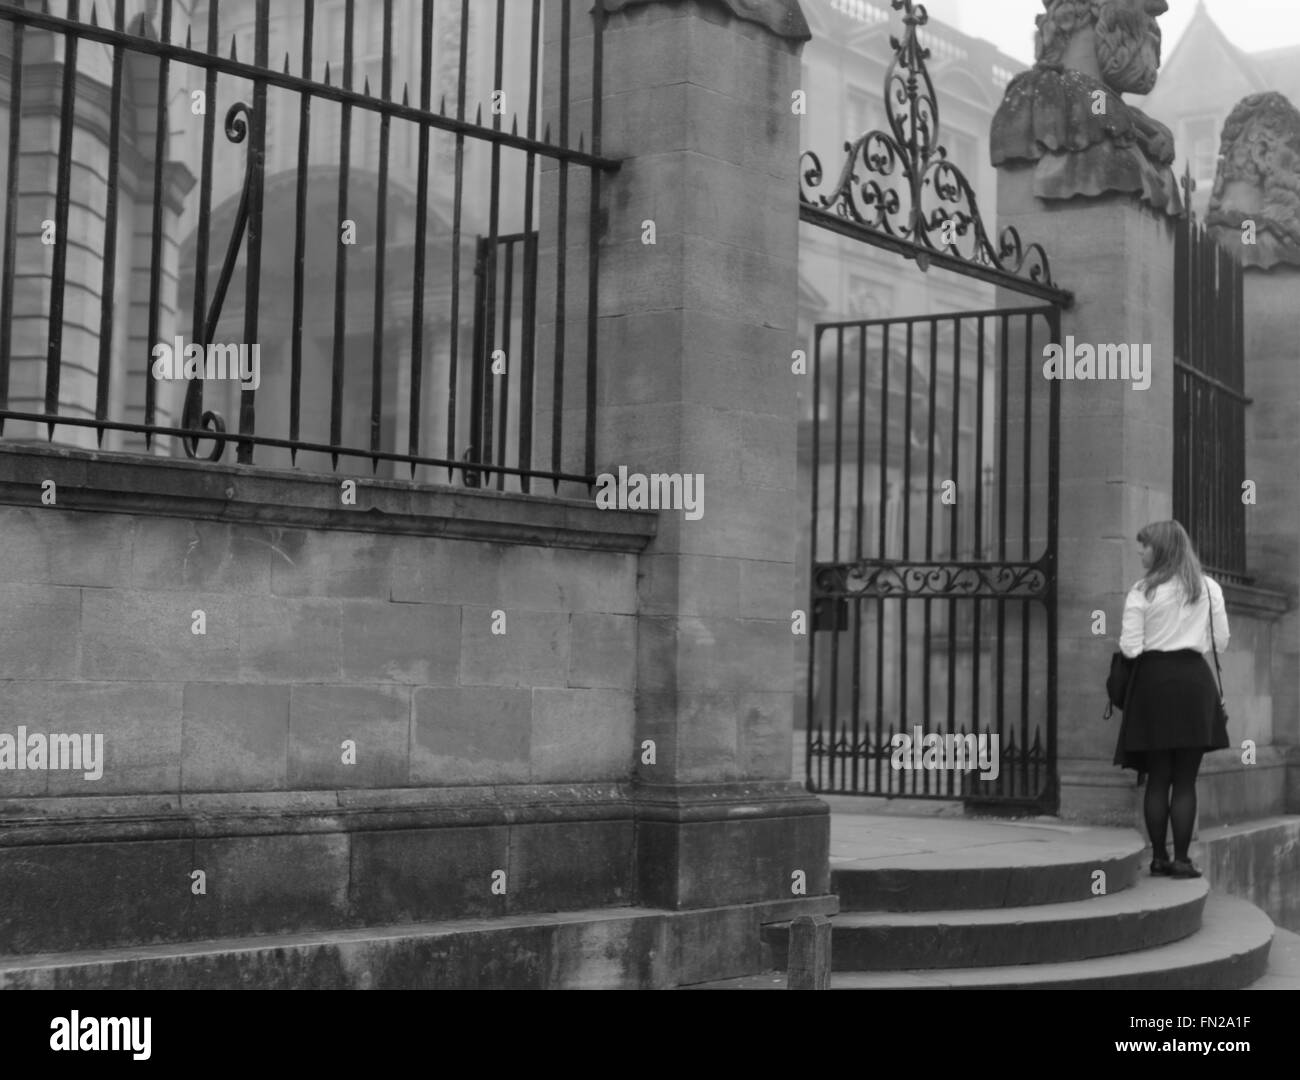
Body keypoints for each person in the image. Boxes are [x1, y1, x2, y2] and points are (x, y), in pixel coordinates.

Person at [1113, 520, 1230, 878]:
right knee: (1185, 779)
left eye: (1145, 546)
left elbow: (1130, 647)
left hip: (1154, 685)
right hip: (1195, 684)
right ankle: (1182, 858)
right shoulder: (1208, 588)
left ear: (1161, 549)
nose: (1139, 551)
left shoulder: (1142, 591)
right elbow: (1221, 641)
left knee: (1158, 776)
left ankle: (1159, 858)